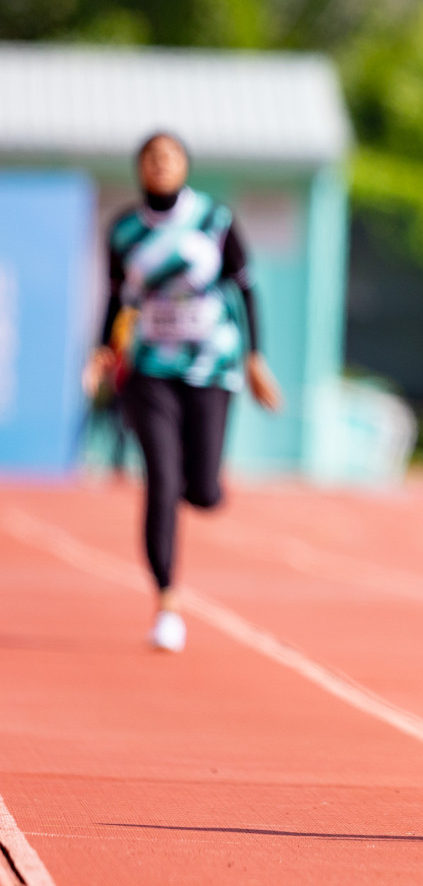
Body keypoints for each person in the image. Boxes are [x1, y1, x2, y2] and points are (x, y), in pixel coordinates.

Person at [82, 132, 282, 652]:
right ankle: (166, 603)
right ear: (140, 168)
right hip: (149, 369)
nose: (161, 165)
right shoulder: (125, 230)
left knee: (203, 492)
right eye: (152, 157)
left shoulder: (214, 221)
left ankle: (205, 485)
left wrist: (255, 358)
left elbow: (246, 288)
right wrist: (103, 352)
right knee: (161, 481)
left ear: (185, 165)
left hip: (212, 365)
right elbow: (116, 299)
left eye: (170, 157)